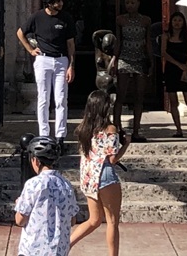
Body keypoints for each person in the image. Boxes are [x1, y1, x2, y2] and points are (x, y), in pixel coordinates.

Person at [71, 90, 127, 256]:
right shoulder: (110, 129)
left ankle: (65, 245)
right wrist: (126, 144)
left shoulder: (83, 129)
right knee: (112, 221)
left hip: (89, 176)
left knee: (94, 220)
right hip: (105, 174)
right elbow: (112, 158)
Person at [18, 0, 76, 148]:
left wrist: (71, 65)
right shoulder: (37, 17)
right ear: (49, 3)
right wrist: (30, 50)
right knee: (43, 98)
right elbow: (20, 33)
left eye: (61, 0)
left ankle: (60, 136)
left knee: (61, 98)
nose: (60, 4)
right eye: (57, 1)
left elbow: (71, 44)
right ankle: (44, 134)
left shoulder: (66, 18)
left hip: (61, 60)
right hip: (43, 59)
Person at [14, 136, 79, 256]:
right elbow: (72, 220)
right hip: (59, 251)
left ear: (36, 161)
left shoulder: (33, 184)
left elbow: (20, 220)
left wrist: (19, 204)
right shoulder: (66, 184)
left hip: (33, 250)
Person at [114, 0, 154, 140]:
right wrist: (114, 59)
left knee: (139, 95)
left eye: (132, 2)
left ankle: (136, 130)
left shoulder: (146, 21)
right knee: (121, 94)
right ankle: (117, 128)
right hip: (124, 58)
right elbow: (118, 40)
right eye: (127, 3)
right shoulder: (120, 20)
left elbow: (148, 41)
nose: (129, 5)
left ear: (138, 3)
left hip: (140, 58)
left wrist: (151, 60)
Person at [159, 11, 187, 138]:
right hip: (171, 69)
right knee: (173, 101)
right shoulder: (166, 36)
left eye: (180, 20)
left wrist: (185, 68)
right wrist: (178, 65)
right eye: (175, 20)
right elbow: (164, 53)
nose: (177, 23)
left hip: (183, 71)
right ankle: (178, 129)